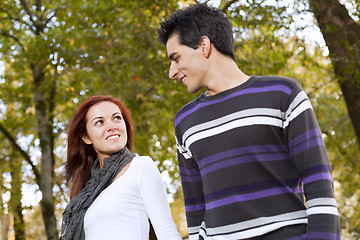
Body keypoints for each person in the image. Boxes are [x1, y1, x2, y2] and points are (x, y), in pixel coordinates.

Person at [157, 3, 340, 240]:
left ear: (204, 46)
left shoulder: (282, 94)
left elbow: (318, 181)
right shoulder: (185, 121)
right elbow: (194, 206)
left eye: (176, 58)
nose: (172, 72)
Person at [60, 95, 182, 240]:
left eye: (117, 118)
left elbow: (167, 233)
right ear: (86, 137)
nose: (112, 126)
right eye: (99, 122)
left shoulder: (141, 166)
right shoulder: (86, 191)